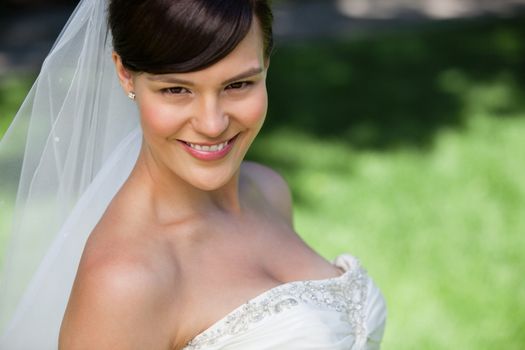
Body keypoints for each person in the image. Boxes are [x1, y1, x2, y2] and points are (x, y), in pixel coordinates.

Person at [0, 0, 386, 349]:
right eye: (176, 90)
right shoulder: (124, 281)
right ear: (124, 74)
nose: (212, 123)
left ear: (266, 62)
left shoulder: (267, 191)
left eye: (238, 84)